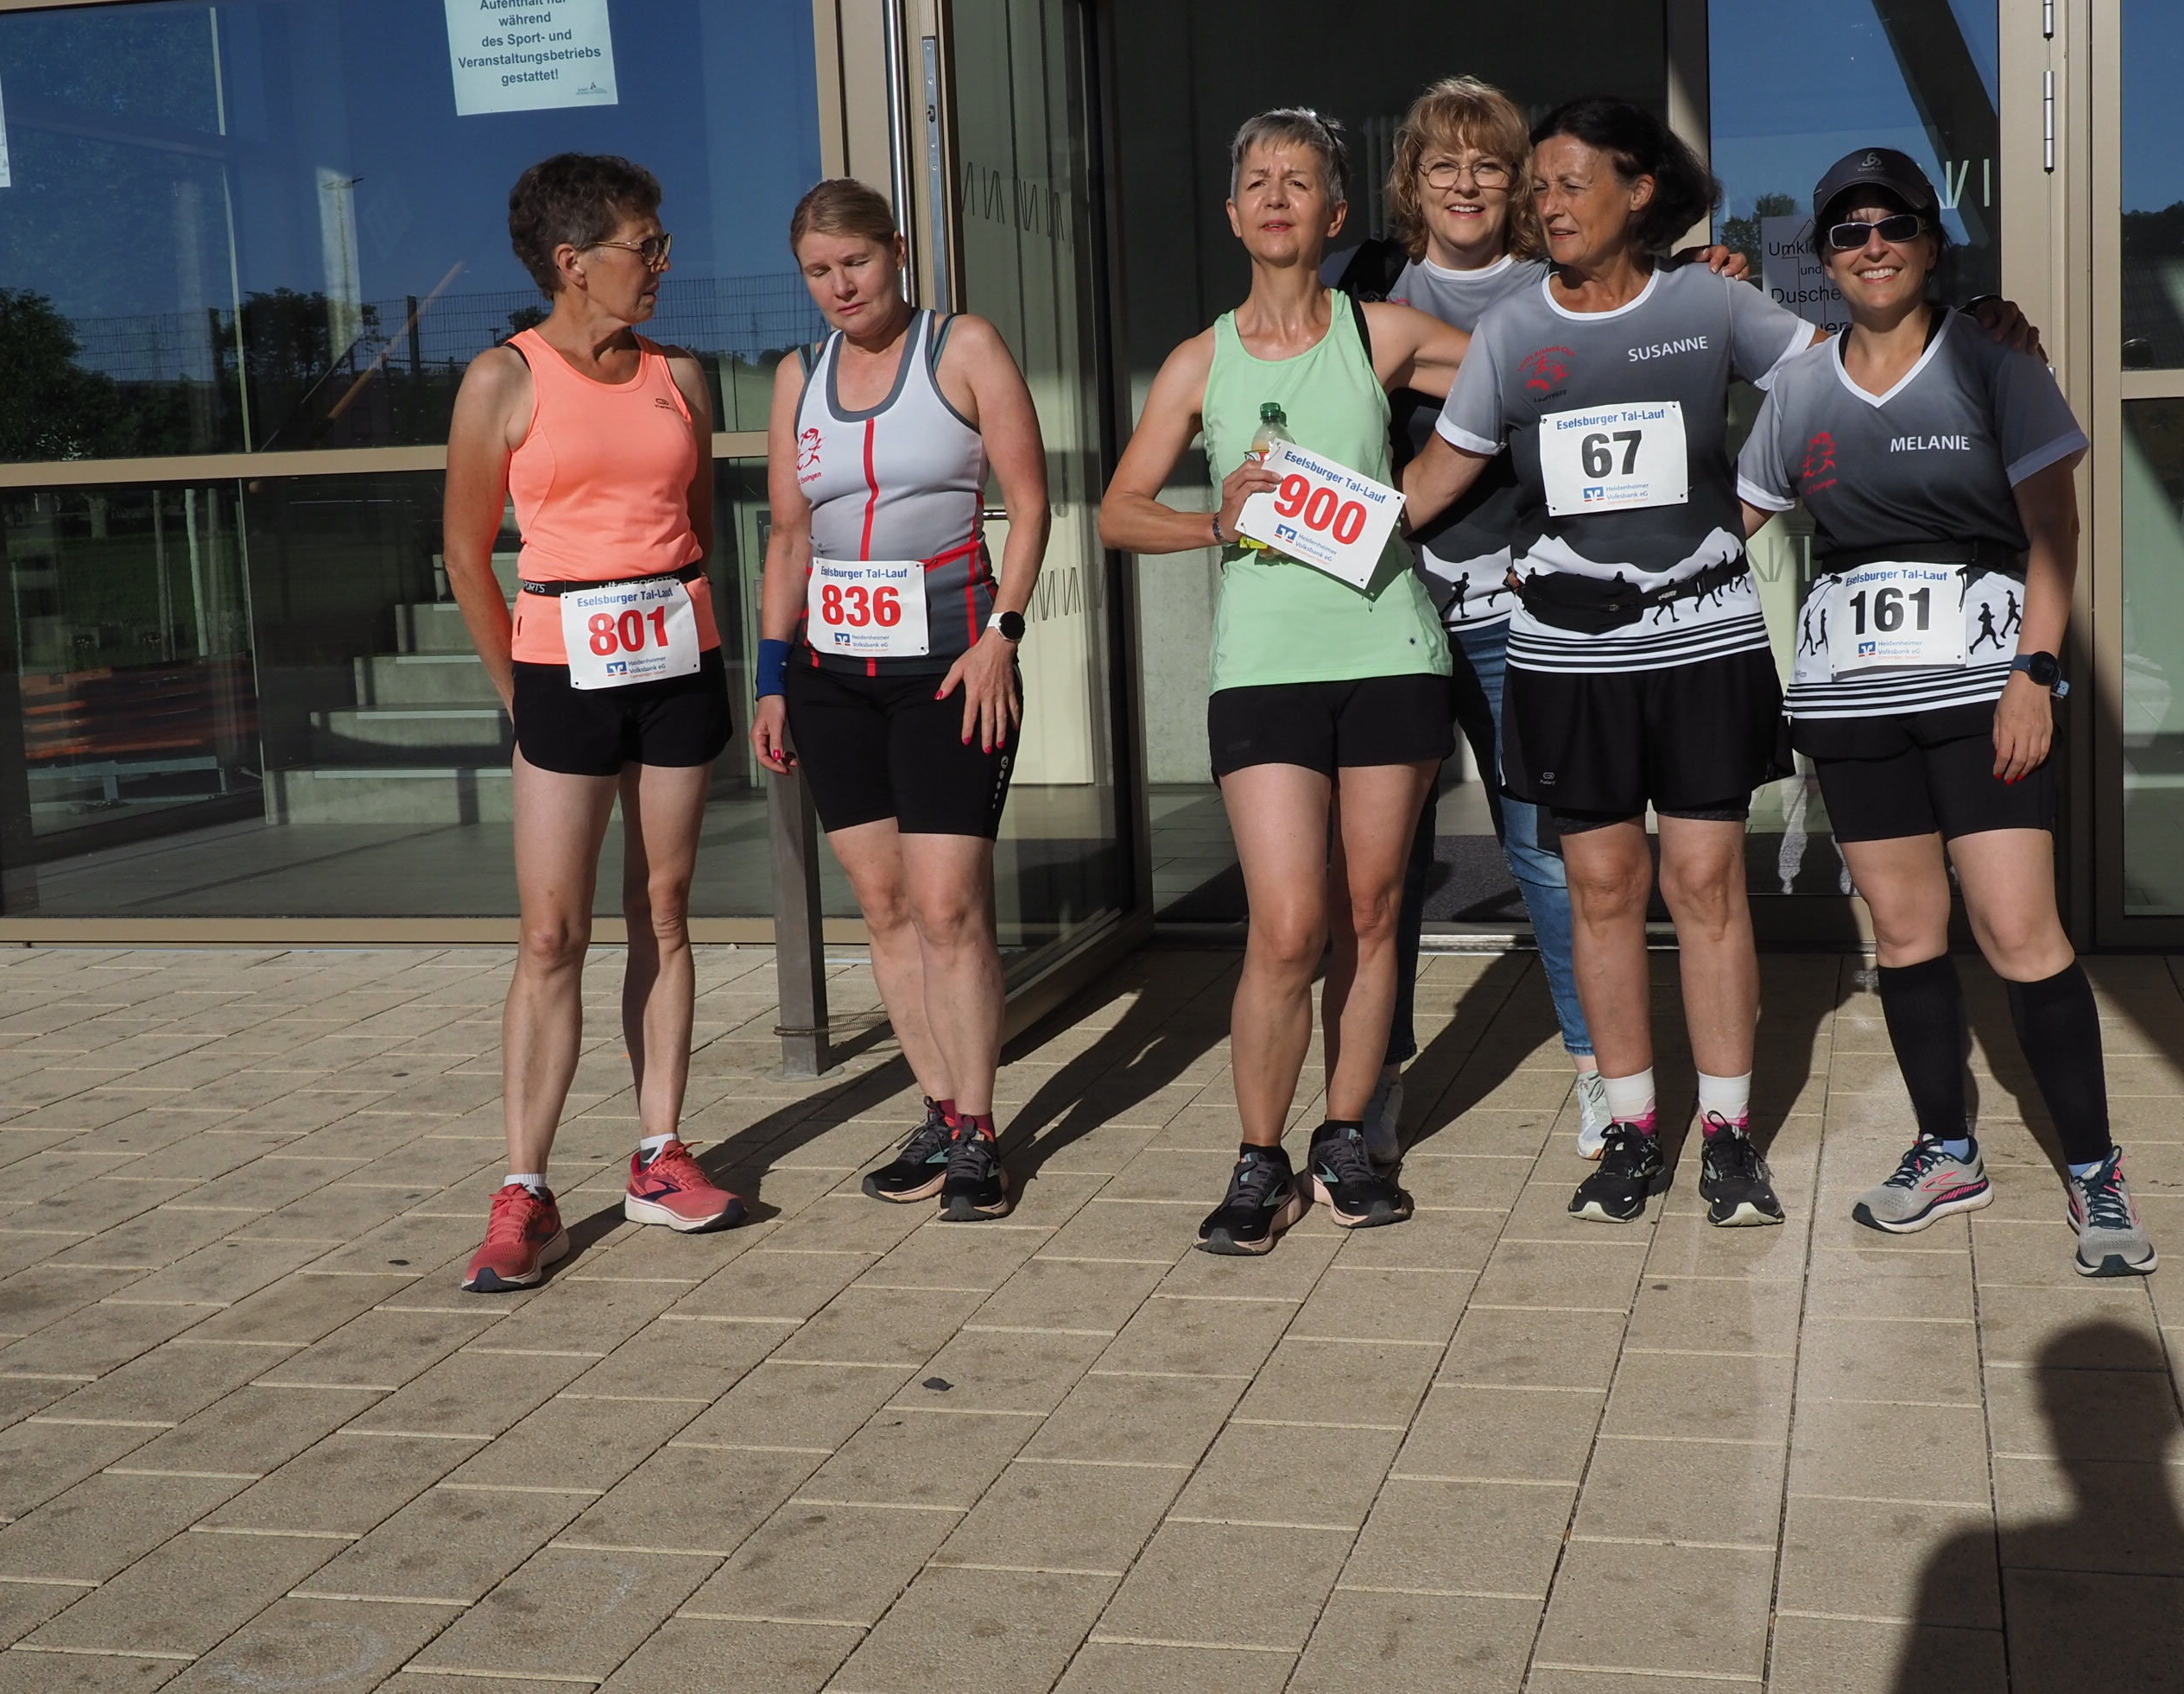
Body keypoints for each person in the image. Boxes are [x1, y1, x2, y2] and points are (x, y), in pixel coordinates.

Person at [1733, 146, 2155, 1278]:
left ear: (1930, 241)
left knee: (2020, 931)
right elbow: (1739, 520)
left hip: (1983, 692)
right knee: (1909, 934)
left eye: (1894, 226)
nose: (1872, 246)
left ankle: (2095, 1169)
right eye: (1849, 231)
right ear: (1825, 257)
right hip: (1852, 702)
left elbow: (2054, 529)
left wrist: (2037, 673)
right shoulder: (1799, 391)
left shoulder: (1993, 359)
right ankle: (1947, 1150)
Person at [1404, 97, 1809, 1229]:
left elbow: (1825, 381)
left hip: (1704, 641)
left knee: (1705, 883)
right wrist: (1300, 519)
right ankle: (1632, 1130)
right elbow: (1431, 484)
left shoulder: (1709, 301)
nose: (1547, 203)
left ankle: (1727, 1136)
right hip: (1566, 655)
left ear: (1639, 191)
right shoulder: (1511, 333)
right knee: (1602, 887)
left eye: (1570, 182)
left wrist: (1757, 497)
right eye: (1538, 186)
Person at [1101, 108, 1468, 1255]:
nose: (1275, 196)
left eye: (1298, 181)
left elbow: (1531, 363)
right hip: (1263, 671)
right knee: (1288, 923)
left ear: (1334, 212)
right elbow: (1117, 511)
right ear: (1232, 214)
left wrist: (1422, 487)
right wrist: (1214, 522)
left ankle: (1346, 1134)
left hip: (1389, 652)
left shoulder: (1380, 330)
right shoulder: (1198, 361)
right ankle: (1259, 1156)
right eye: (1257, 180)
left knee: (1372, 909)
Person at [446, 153, 747, 1293]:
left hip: (676, 659)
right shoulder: (502, 379)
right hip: (561, 671)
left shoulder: (681, 375)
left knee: (663, 909)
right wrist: (518, 694)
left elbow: (694, 525)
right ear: (573, 262)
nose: (662, 262)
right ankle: (524, 1189)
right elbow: (465, 552)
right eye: (644, 245)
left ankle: (660, 1156)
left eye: (661, 242)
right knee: (552, 935)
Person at [749, 179, 1050, 1223]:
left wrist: (1003, 635)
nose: (840, 286)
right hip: (832, 678)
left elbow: (1030, 503)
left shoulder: (963, 346)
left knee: (948, 905)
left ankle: (981, 1131)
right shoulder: (798, 375)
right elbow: (789, 536)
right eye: (818, 271)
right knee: (882, 904)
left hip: (950, 669)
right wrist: (772, 678)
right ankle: (939, 1111)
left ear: (898, 250)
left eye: (856, 262)